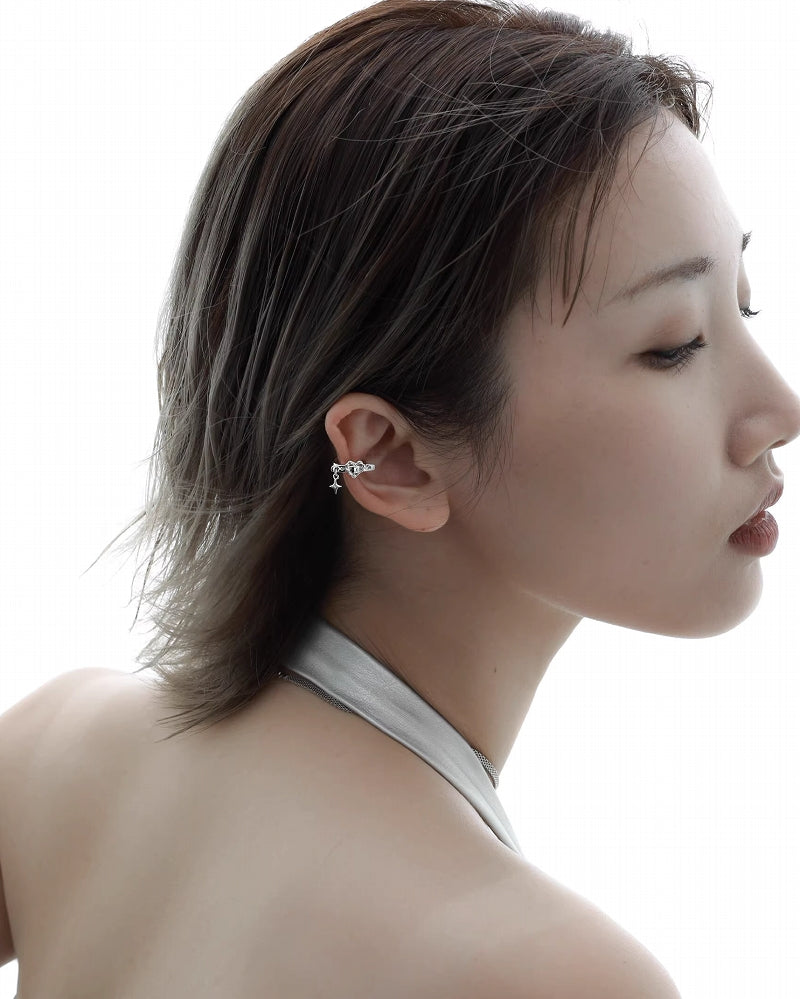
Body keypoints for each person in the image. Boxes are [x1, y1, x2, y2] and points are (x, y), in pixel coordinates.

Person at [2, 0, 799, 995]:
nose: (780, 408)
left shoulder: (56, 749)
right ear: (389, 459)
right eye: (673, 344)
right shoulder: (544, 972)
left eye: (745, 304)